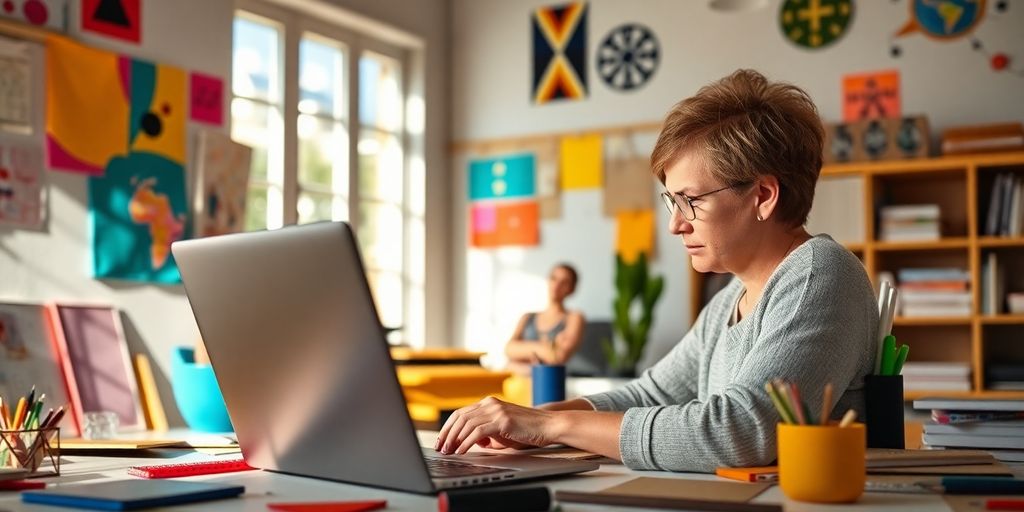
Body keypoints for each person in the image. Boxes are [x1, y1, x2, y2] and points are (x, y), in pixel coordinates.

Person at [434, 69, 878, 472]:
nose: (675, 223)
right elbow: (649, 396)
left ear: (762, 195)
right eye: (672, 201)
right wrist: (533, 421)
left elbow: (740, 433)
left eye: (692, 200)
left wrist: (550, 428)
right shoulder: (730, 299)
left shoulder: (819, 276)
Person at [503, 263, 585, 374]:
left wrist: (522, 354)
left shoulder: (574, 317)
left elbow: (558, 357)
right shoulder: (527, 317)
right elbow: (509, 349)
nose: (557, 285)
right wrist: (545, 348)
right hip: (519, 384)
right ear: (547, 280)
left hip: (552, 382)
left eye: (564, 282)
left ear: (571, 289)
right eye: (553, 278)